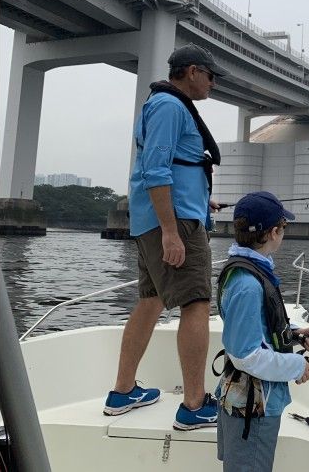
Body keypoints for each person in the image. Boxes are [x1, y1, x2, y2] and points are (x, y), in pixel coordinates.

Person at [103, 43, 228, 431]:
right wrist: (172, 231)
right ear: (192, 71)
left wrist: (202, 202)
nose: (213, 83)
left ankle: (123, 392)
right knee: (196, 303)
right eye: (211, 75)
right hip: (171, 225)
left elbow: (175, 168)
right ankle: (194, 404)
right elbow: (156, 170)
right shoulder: (171, 107)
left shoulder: (164, 105)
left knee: (150, 300)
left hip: (164, 218)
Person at [215, 191, 309, 472]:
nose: (283, 233)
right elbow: (246, 356)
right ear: (274, 232)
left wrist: (295, 332)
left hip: (248, 403)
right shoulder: (247, 285)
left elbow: (259, 324)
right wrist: (298, 365)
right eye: (284, 227)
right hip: (252, 410)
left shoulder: (247, 271)